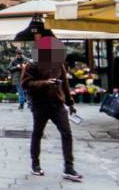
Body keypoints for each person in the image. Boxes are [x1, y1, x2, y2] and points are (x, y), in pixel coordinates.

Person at [22, 47, 80, 182]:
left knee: (67, 133)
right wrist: (44, 83)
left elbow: (64, 83)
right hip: (40, 104)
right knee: (38, 133)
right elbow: (25, 83)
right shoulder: (32, 65)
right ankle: (35, 164)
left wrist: (70, 103)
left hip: (57, 104)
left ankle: (69, 167)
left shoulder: (58, 64)